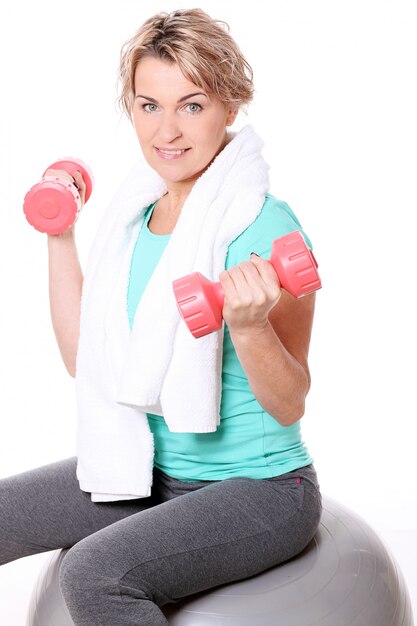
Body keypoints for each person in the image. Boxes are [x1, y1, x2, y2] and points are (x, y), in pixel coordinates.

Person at [0, 8, 322, 625]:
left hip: (262, 491)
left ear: (230, 107)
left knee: (95, 572)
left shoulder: (261, 224)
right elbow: (82, 358)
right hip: (153, 468)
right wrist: (60, 235)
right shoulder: (133, 221)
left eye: (192, 105)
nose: (167, 131)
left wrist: (250, 326)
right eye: (149, 105)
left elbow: (290, 402)